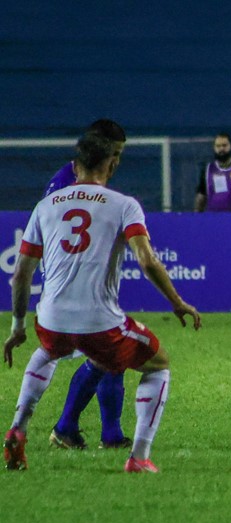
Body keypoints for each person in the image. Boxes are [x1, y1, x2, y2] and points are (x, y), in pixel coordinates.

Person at [3, 132, 201, 472]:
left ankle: (18, 430)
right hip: (100, 323)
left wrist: (18, 326)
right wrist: (176, 301)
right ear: (112, 164)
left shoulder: (46, 205)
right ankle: (138, 456)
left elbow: (21, 274)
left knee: (46, 352)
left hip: (50, 320)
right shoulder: (124, 205)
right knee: (158, 364)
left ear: (76, 166)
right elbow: (147, 260)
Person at [44, 119, 132, 451]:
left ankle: (103, 433)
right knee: (106, 354)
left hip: (87, 287)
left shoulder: (84, 183)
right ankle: (68, 428)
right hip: (75, 289)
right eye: (116, 152)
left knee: (111, 356)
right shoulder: (67, 185)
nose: (118, 161)